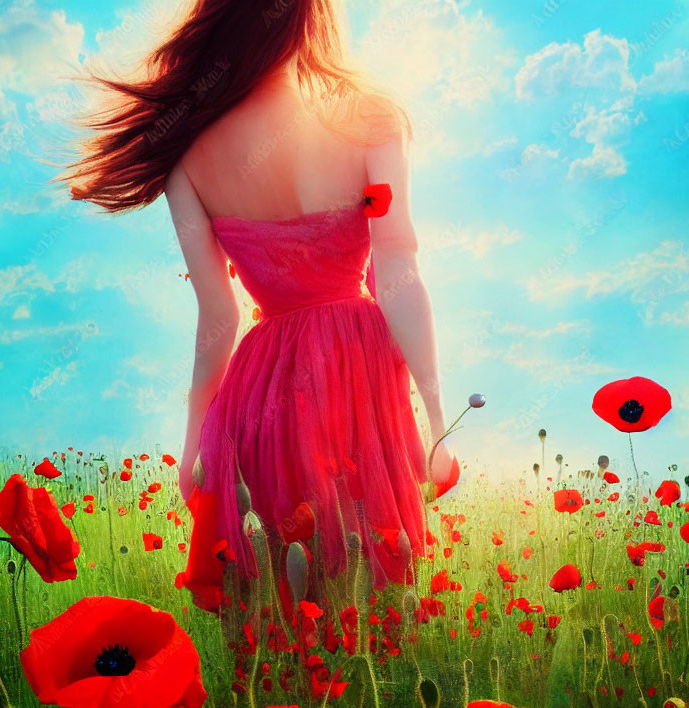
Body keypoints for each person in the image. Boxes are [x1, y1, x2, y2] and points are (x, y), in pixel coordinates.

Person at [57, 0, 458, 609]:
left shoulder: (189, 156)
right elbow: (397, 264)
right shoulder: (369, 117)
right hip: (357, 372)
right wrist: (435, 419)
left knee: (276, 605)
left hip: (263, 393)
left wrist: (194, 439)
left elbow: (219, 316)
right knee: (366, 604)